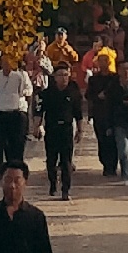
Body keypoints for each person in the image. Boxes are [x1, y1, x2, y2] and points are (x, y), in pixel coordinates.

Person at [83, 54, 128, 182]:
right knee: (102, 140)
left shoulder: (114, 78)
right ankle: (106, 165)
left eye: (106, 61)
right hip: (99, 114)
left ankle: (113, 165)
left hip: (113, 113)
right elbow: (88, 95)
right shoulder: (94, 79)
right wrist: (98, 96)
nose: (103, 64)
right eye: (100, 61)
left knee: (114, 140)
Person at [36, 58, 82, 201]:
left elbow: (78, 113)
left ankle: (65, 190)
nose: (63, 78)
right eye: (60, 75)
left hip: (67, 129)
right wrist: (37, 126)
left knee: (66, 161)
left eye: (66, 75)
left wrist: (80, 130)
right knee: (51, 160)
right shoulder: (48, 93)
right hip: (52, 128)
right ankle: (52, 183)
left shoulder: (73, 92)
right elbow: (39, 111)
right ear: (55, 77)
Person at [0, 48, 36, 174]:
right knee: (1, 143)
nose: (6, 65)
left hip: (16, 112)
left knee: (17, 141)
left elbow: (24, 92)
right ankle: (0, 169)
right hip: (1, 112)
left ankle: (17, 167)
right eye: (3, 62)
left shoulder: (19, 76)